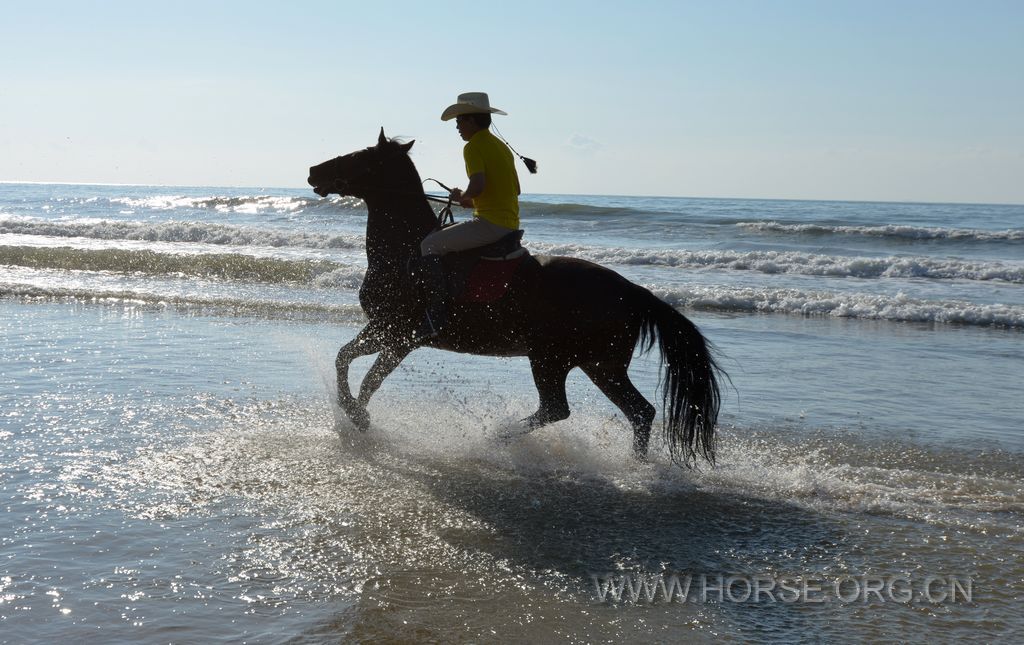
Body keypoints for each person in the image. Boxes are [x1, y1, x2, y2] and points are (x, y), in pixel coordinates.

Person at [416, 92, 522, 340]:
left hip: (490, 225)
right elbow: (514, 189)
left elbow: (478, 186)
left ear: (473, 121)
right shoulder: (501, 147)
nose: (457, 126)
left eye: (460, 120)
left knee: (429, 244)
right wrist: (469, 200)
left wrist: (462, 195)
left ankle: (435, 314)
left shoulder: (473, 146)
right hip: (509, 223)